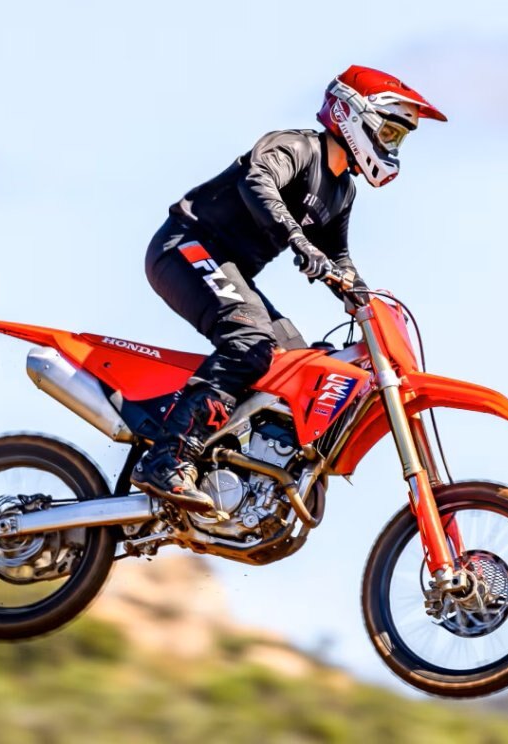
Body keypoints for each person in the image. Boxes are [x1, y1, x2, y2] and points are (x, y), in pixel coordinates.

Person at [132, 64, 447, 513]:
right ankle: (168, 458)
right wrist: (299, 242)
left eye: (399, 139)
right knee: (249, 341)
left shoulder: (342, 191)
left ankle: (240, 474)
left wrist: (364, 299)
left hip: (228, 270)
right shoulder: (296, 147)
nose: (392, 146)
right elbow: (257, 181)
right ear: (355, 116)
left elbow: (338, 257)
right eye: (390, 132)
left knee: (298, 363)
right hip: (186, 245)